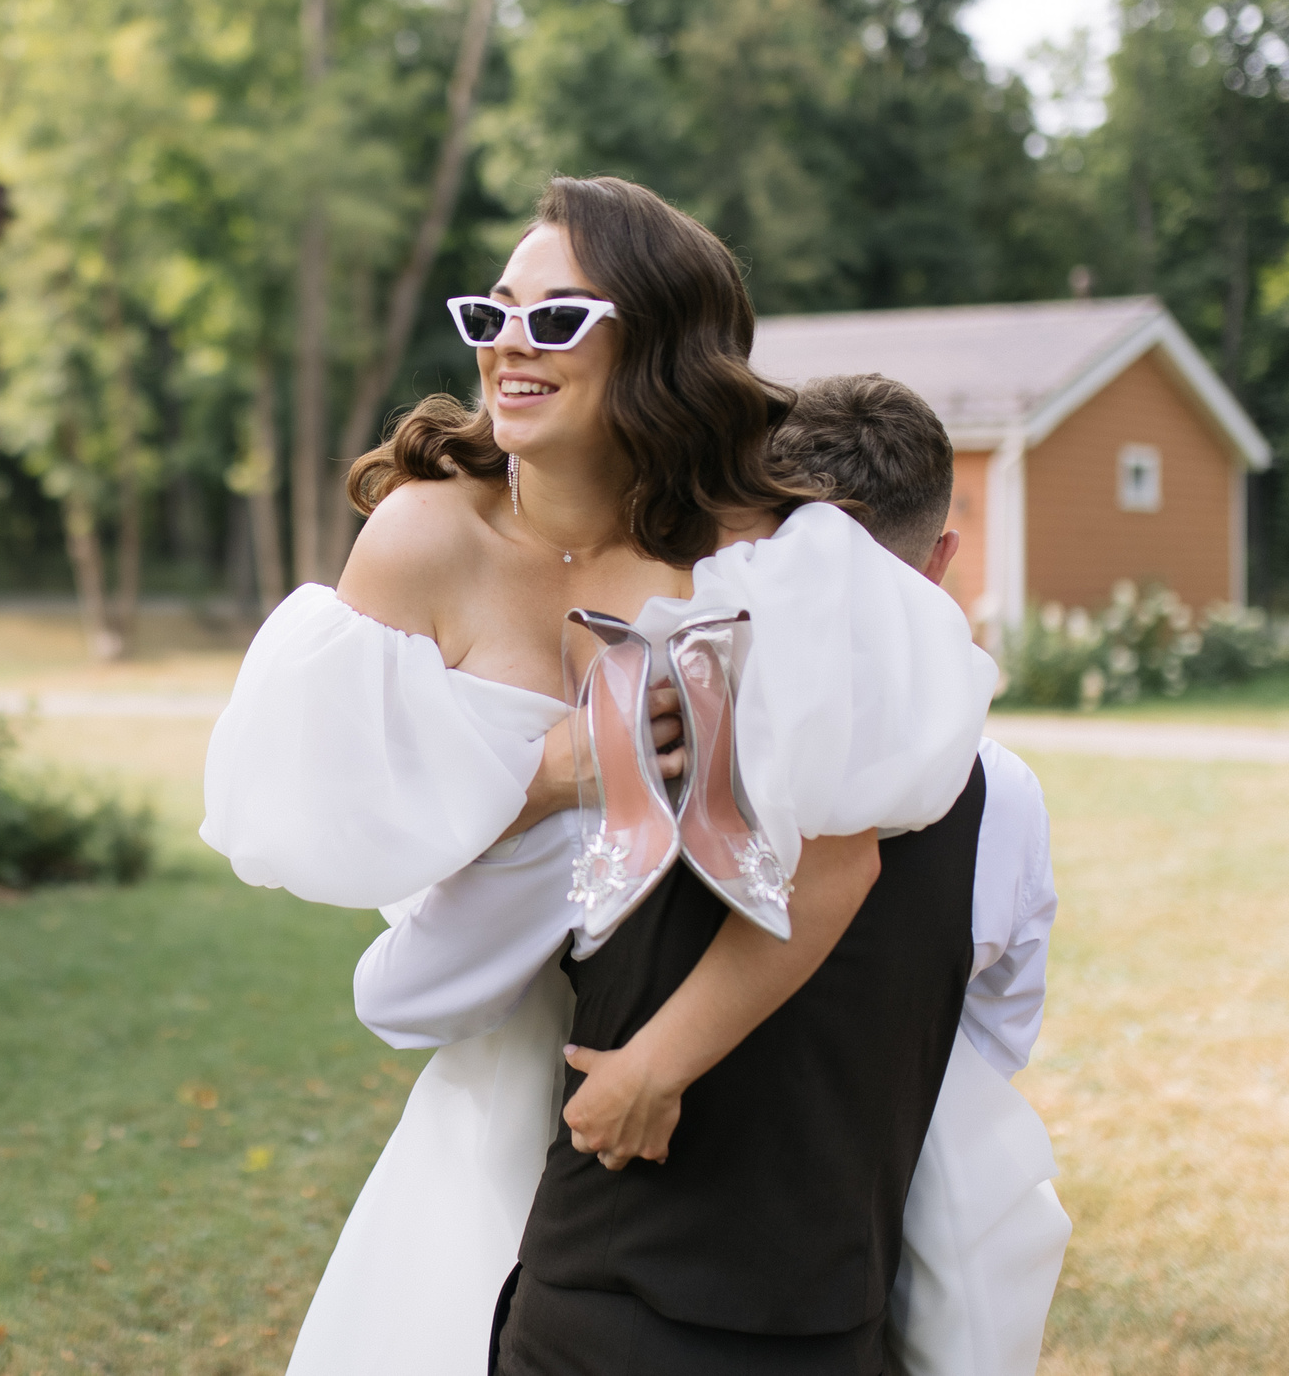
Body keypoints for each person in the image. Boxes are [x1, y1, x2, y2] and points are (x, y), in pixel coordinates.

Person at [200, 177, 997, 1372]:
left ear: (664, 351)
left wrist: (656, 1066)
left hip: (687, 1075)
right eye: (494, 315)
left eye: (559, 320)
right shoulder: (425, 539)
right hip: (482, 1026)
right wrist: (558, 772)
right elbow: (337, 830)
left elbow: (841, 857)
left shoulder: (748, 560)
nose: (511, 348)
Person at [353, 373, 1068, 1376]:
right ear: (938, 562)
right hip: (835, 1328)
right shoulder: (1003, 806)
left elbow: (418, 995)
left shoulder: (620, 760)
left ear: (741, 549)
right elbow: (975, 1068)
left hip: (602, 1327)